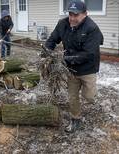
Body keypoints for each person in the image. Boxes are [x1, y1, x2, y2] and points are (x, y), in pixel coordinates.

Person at [45, 0, 104, 133]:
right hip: (71, 69)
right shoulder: (63, 24)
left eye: (76, 15)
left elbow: (88, 54)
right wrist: (46, 51)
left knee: (89, 97)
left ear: (85, 14)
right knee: (72, 96)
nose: (72, 18)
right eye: (70, 14)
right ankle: (75, 119)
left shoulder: (92, 28)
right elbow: (53, 39)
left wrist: (64, 59)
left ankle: (90, 92)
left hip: (88, 68)